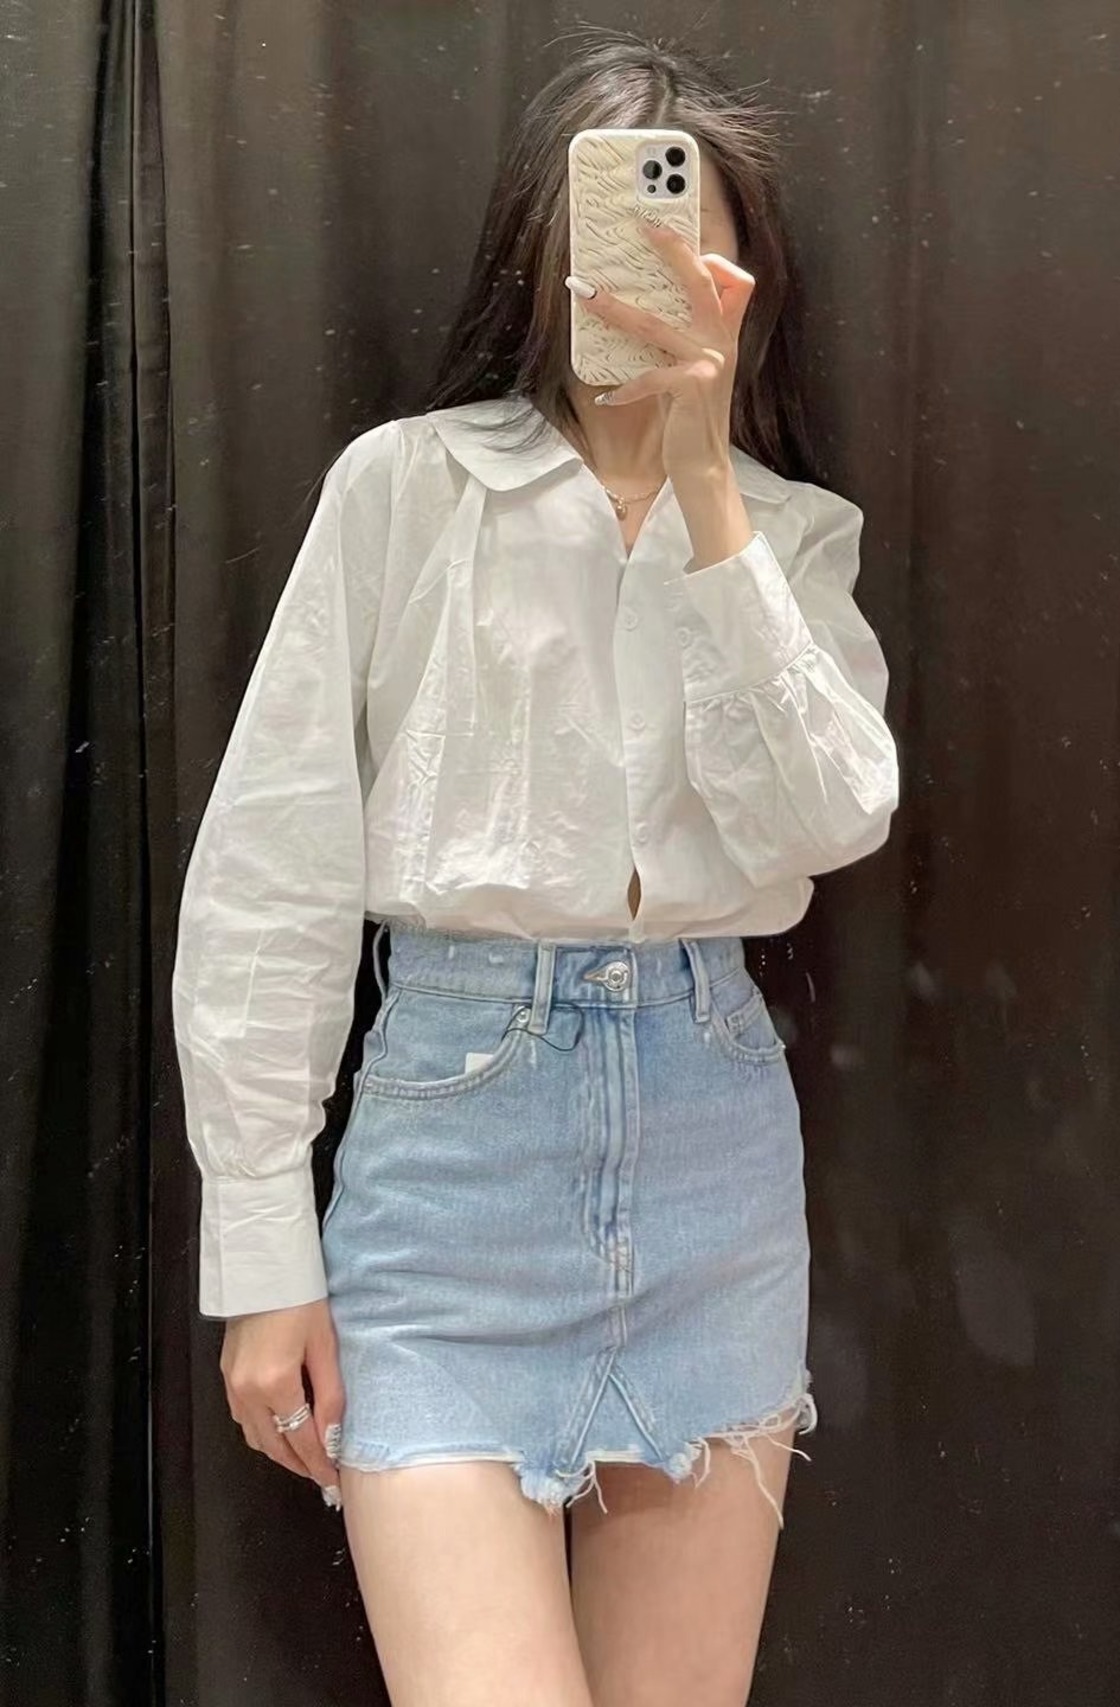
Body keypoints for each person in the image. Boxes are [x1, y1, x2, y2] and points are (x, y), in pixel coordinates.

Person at [171, 29, 899, 1707]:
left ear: (745, 285)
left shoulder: (792, 535)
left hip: (714, 1159)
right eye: (615, 237)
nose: (647, 280)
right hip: (450, 1165)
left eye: (688, 245)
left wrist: (708, 488)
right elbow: (274, 871)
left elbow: (828, 817)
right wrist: (264, 1251)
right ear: (545, 255)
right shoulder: (407, 491)